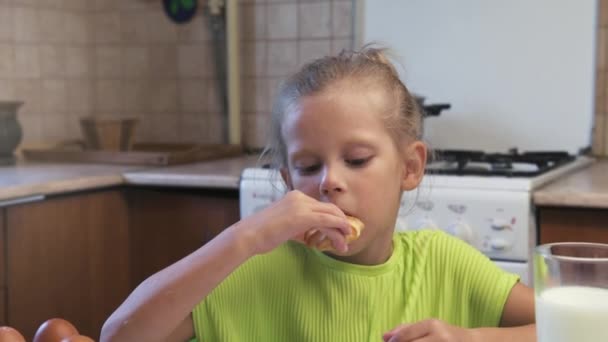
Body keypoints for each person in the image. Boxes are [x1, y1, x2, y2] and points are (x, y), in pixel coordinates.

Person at [100, 46, 536, 342]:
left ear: (410, 167)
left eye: (358, 159)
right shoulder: (251, 273)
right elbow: (119, 335)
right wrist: (245, 237)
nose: (329, 181)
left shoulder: (445, 265)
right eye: (308, 167)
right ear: (288, 182)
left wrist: (473, 336)